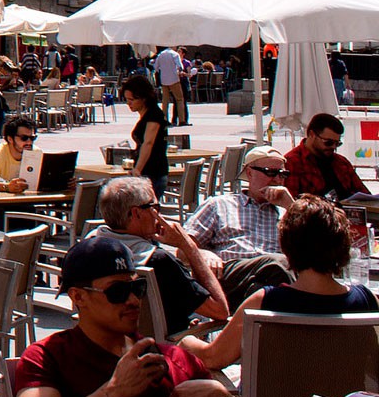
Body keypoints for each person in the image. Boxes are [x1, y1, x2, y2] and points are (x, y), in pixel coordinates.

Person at [14, 236, 263, 397]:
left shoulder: (169, 359)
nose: (133, 300)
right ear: (78, 297)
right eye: (118, 291)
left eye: (136, 288)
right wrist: (114, 391)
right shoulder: (49, 357)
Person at [180, 195, 378, 371]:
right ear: (343, 247)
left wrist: (186, 340)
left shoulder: (264, 302)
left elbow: (212, 358)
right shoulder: (367, 301)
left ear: (286, 246)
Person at [86, 177, 230, 336]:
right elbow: (220, 311)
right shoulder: (158, 261)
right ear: (136, 213)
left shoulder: (88, 247)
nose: (159, 215)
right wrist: (189, 247)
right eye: (156, 207)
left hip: (105, 339)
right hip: (162, 348)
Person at [183, 146, 297, 308]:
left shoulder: (288, 212)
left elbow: (314, 251)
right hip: (230, 275)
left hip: (270, 281)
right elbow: (182, 249)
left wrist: (290, 206)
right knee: (277, 262)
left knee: (268, 283)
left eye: (282, 174)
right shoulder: (220, 205)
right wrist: (202, 253)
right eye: (270, 172)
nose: (277, 180)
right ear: (250, 173)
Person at [284, 112, 369, 200]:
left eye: (337, 144)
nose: (333, 147)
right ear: (312, 135)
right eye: (328, 142)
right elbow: (291, 203)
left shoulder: (341, 162)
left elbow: (365, 194)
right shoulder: (292, 162)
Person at [121, 75, 169, 197]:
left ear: (143, 98)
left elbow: (148, 142)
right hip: (148, 172)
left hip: (152, 173)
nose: (128, 103)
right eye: (127, 99)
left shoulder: (154, 115)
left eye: (132, 100)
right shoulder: (147, 115)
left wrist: (138, 169)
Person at [154, 46, 187, 127]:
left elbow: (156, 67)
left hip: (164, 80)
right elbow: (180, 66)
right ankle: (181, 120)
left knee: (165, 101)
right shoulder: (174, 54)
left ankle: (164, 119)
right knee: (179, 99)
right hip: (174, 79)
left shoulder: (161, 54)